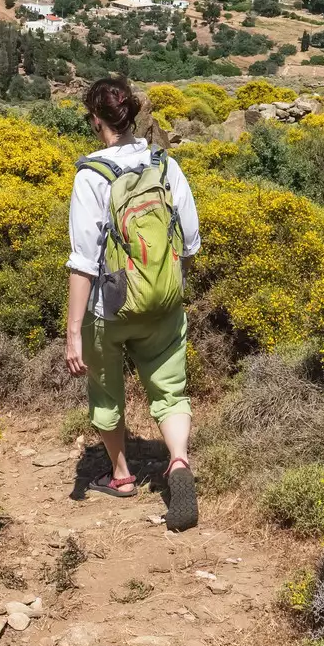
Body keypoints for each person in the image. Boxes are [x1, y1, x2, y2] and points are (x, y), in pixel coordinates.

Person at [64, 75, 202, 530]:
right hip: (163, 301)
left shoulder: (91, 176)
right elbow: (191, 240)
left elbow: (83, 262)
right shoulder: (164, 164)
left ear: (95, 120)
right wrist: (166, 286)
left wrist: (73, 334)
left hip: (110, 306)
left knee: (106, 390)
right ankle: (178, 462)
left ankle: (121, 475)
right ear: (133, 113)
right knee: (170, 390)